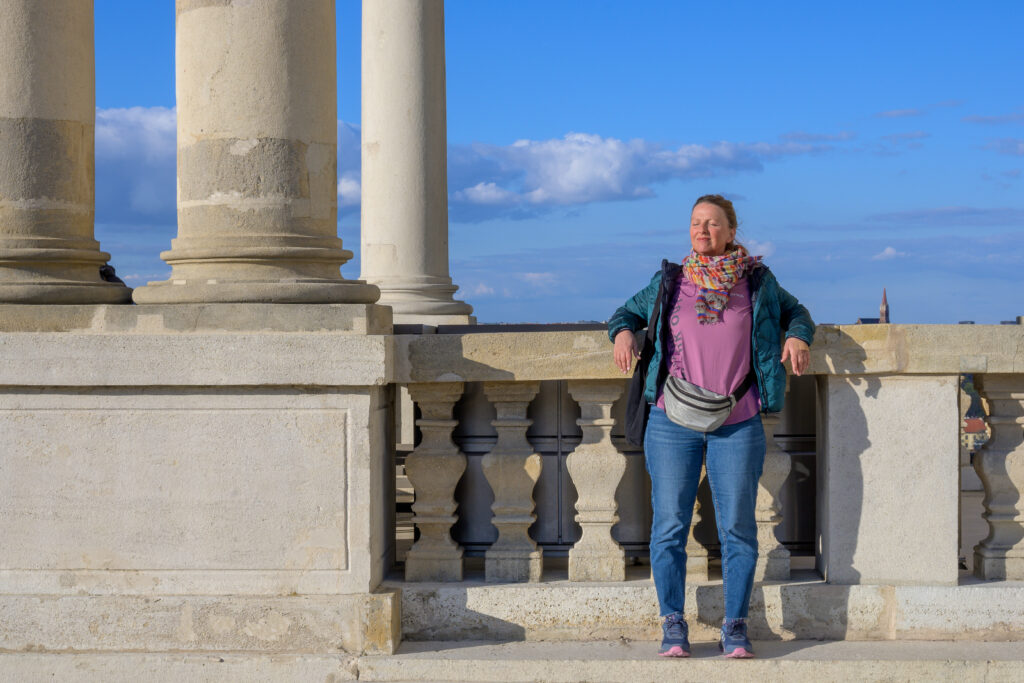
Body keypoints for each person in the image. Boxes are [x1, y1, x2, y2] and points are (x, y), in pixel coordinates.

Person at [607, 194, 814, 659]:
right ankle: (672, 622)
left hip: (736, 420)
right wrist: (623, 333)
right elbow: (625, 314)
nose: (703, 231)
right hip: (671, 419)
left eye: (713, 224)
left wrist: (797, 334)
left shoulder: (757, 282)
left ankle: (735, 625)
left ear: (731, 231)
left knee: (738, 527)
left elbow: (796, 312)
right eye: (696, 223)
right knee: (670, 526)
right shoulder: (671, 281)